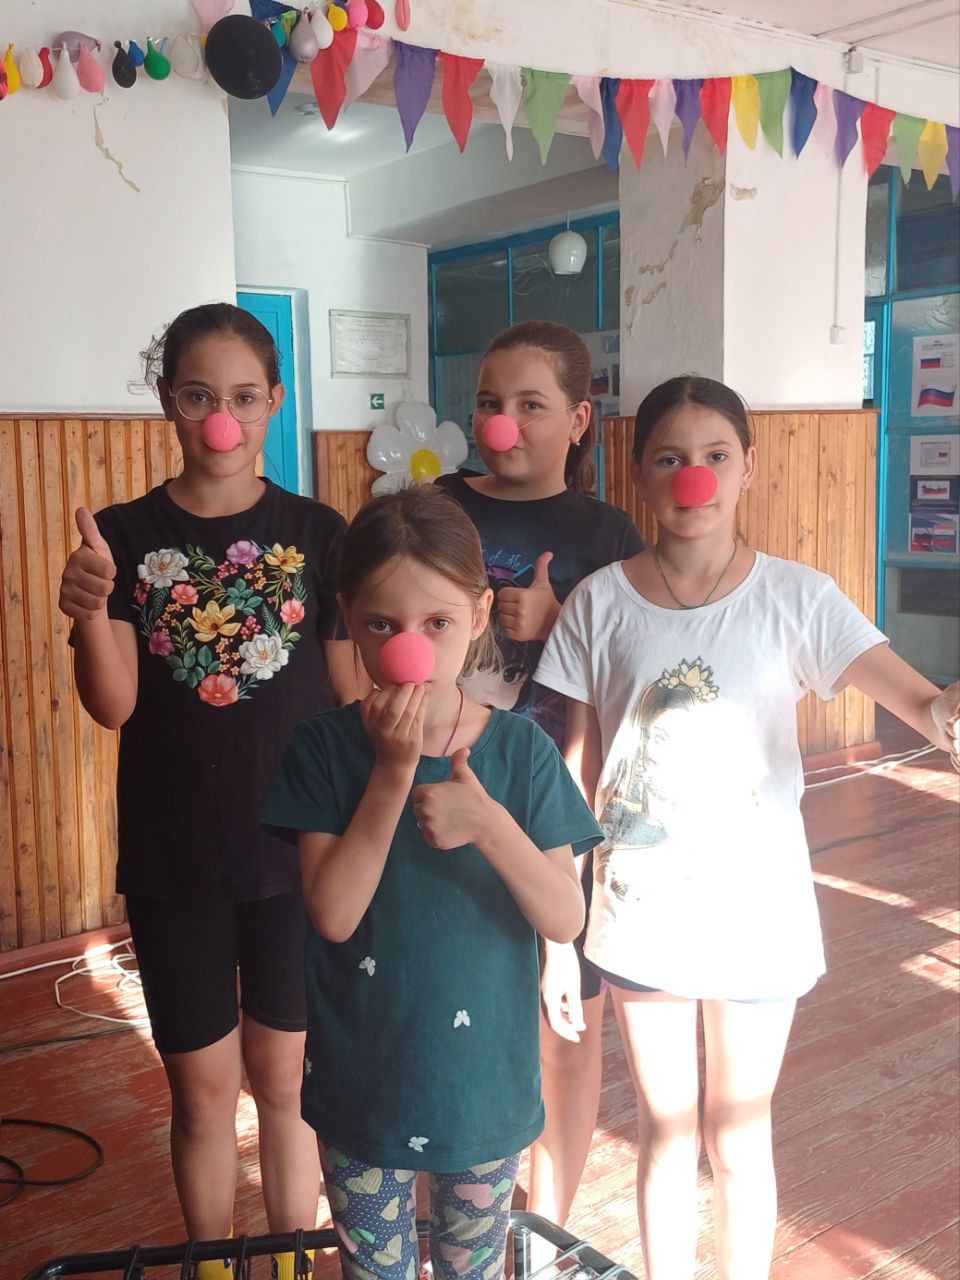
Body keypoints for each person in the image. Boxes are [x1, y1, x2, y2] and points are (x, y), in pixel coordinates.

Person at [536, 375, 960, 1279]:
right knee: (665, 1130)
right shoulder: (600, 603)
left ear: (749, 469)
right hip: (638, 910)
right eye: (670, 458)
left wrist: (949, 713)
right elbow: (575, 773)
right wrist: (560, 936)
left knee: (737, 1135)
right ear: (639, 474)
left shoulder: (798, 598)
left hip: (756, 913)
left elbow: (921, 704)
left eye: (715, 456)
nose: (693, 477)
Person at [58, 303, 361, 1280]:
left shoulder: (318, 533)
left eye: (241, 397)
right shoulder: (121, 537)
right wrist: (91, 605)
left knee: (285, 1085)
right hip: (174, 861)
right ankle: (213, 1266)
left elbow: (352, 695)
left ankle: (289, 1264)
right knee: (199, 1096)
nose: (221, 421)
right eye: (198, 397)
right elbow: (113, 704)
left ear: (275, 401)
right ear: (168, 403)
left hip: (297, 858)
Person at [261, 483, 603, 1280]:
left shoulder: (521, 753)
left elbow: (564, 915)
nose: (408, 648)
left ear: (479, 616)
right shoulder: (323, 750)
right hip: (361, 1087)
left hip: (483, 1090)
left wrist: (489, 824)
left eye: (437, 623)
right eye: (382, 624)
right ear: (347, 617)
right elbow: (334, 914)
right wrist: (391, 773)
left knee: (471, 1270)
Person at [435, 321, 643, 1231]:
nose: (504, 424)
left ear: (579, 419)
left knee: (566, 1030)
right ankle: (458, 1222)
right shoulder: (437, 510)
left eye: (530, 405)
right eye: (490, 403)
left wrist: (560, 623)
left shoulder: (607, 533)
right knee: (453, 1017)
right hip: (443, 804)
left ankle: (548, 1230)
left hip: (559, 811)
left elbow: (635, 668)